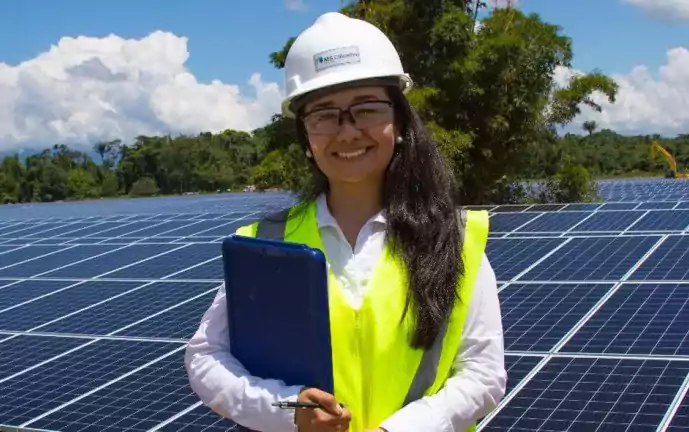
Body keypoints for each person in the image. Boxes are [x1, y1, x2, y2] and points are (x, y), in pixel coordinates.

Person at [184, 11, 506, 432]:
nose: (348, 132)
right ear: (305, 136)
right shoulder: (265, 245)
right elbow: (205, 358)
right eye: (324, 115)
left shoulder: (456, 239)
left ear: (400, 121)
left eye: (367, 109)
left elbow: (483, 373)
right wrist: (286, 410)